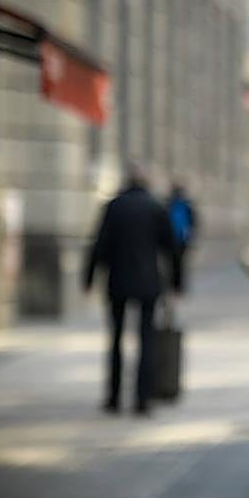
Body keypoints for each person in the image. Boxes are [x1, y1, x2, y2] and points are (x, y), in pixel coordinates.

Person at [84, 162, 180, 416]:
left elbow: (99, 244)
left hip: (118, 280)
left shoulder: (114, 206)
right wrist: (177, 284)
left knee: (115, 339)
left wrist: (89, 277)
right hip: (149, 282)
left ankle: (114, 397)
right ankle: (142, 399)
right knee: (146, 339)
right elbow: (172, 248)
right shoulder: (156, 207)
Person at [167, 181, 197, 291]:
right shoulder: (184, 204)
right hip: (180, 238)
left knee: (175, 263)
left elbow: (192, 221)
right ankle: (177, 285)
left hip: (176, 238)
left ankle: (175, 285)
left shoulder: (172, 203)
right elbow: (193, 222)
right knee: (178, 263)